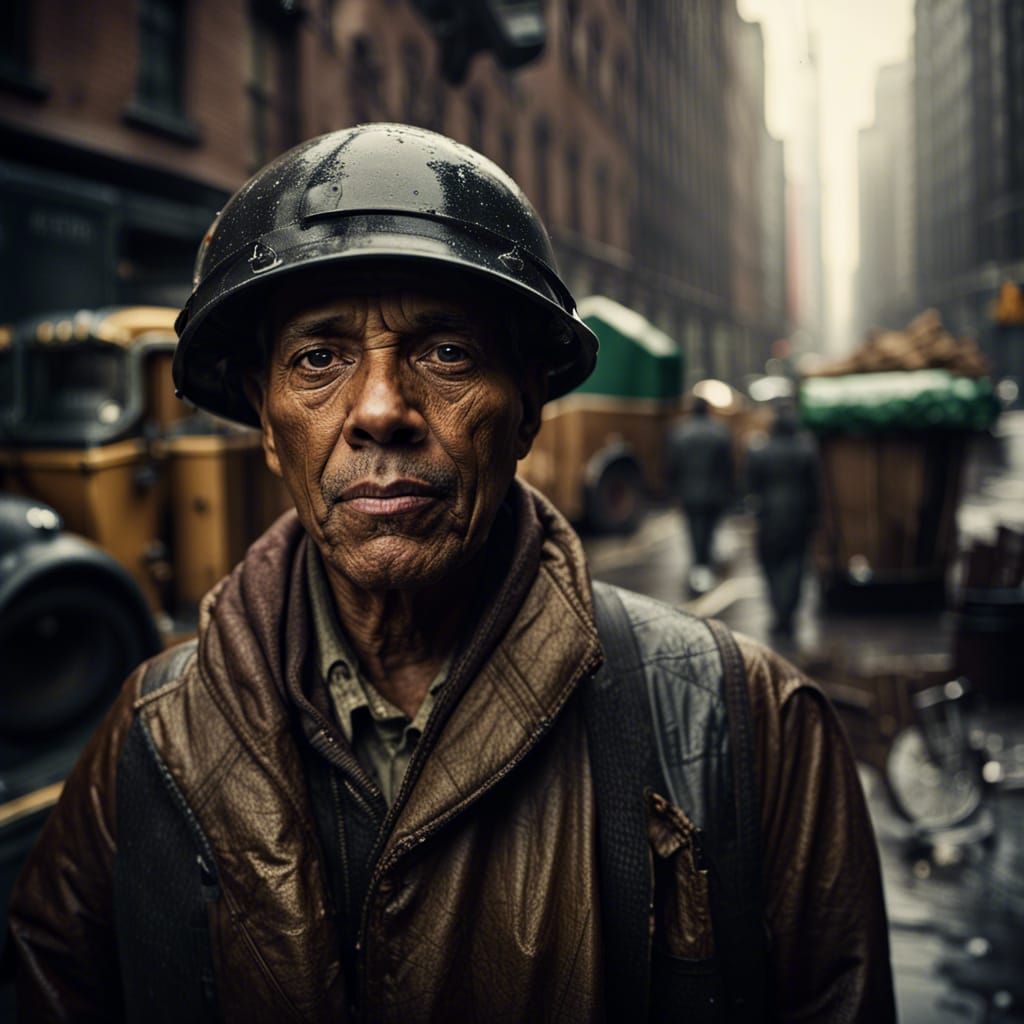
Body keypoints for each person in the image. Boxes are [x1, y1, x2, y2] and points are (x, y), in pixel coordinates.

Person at [7, 124, 893, 1023]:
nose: (382, 409)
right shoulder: (145, 744)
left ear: (527, 411)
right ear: (268, 426)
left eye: (447, 353)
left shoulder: (749, 727)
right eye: (319, 359)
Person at [746, 405, 822, 637]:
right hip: (798, 515)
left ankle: (778, 610)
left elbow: (751, 485)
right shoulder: (806, 451)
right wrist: (815, 515)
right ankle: (788, 611)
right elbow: (814, 487)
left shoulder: (761, 451)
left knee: (771, 565)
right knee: (796, 564)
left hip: (769, 516)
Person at [665, 397, 735, 594]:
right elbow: (728, 466)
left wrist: (672, 491)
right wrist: (731, 491)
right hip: (715, 491)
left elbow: (672, 465)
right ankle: (705, 564)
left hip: (689, 491)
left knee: (694, 530)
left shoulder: (680, 433)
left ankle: (699, 567)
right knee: (710, 529)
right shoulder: (720, 431)